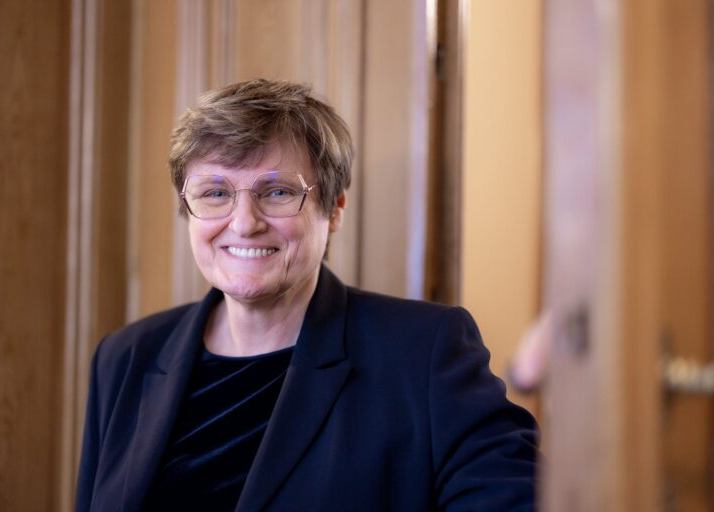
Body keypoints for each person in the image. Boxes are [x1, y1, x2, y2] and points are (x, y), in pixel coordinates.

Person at [75, 79, 539, 512]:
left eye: (277, 192)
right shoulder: (125, 358)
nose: (244, 223)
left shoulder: (425, 352)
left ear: (334, 209)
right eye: (215, 193)